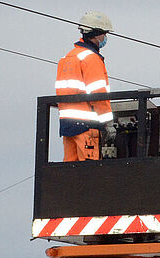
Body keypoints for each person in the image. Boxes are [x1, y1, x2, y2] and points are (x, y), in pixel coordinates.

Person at [55, 11, 114, 162]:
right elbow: (98, 94)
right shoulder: (91, 59)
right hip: (87, 126)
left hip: (68, 126)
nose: (105, 38)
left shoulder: (68, 58)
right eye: (104, 34)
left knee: (71, 172)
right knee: (89, 173)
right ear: (96, 34)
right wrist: (108, 123)